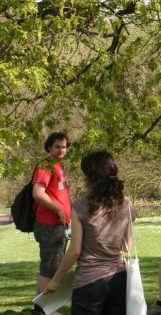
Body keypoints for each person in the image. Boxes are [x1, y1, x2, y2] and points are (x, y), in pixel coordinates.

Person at [43, 151, 132, 314]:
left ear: (89, 177)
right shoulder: (125, 203)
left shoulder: (80, 205)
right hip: (119, 278)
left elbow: (74, 250)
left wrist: (55, 280)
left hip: (89, 283)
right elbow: (127, 245)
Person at [32, 132, 71, 315]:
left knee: (54, 266)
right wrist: (58, 210)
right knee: (49, 268)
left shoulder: (58, 166)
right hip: (49, 225)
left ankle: (46, 308)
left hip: (57, 226)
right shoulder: (45, 166)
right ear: (49, 147)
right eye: (57, 146)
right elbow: (38, 194)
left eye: (64, 147)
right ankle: (42, 310)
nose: (61, 150)